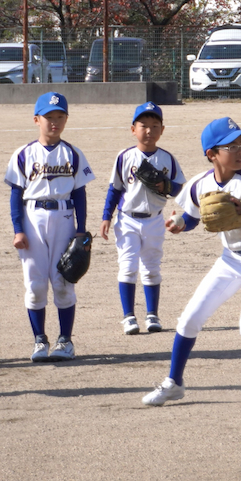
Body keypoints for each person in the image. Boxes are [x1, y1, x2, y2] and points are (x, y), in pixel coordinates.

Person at [142, 117, 241, 407]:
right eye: (231, 146)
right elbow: (195, 215)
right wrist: (180, 223)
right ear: (211, 154)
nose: (239, 150)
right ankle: (174, 383)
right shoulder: (200, 183)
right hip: (231, 260)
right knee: (189, 319)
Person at [5, 92, 95, 362]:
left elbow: (80, 193)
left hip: (64, 218)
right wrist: (18, 229)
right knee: (35, 284)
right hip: (32, 219)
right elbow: (15, 196)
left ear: (66, 119)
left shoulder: (73, 154)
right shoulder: (23, 154)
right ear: (36, 119)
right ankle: (39, 340)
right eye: (48, 117)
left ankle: (65, 341)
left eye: (60, 117)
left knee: (64, 281)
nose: (54, 122)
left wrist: (82, 229)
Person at [99, 102, 186, 335]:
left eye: (154, 125)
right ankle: (129, 316)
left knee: (151, 268)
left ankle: (152, 315)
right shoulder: (124, 156)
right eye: (144, 125)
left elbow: (181, 189)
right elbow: (114, 189)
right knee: (127, 267)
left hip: (155, 220)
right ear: (133, 129)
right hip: (127, 219)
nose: (149, 130)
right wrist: (106, 216)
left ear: (162, 130)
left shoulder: (168, 158)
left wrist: (167, 185)